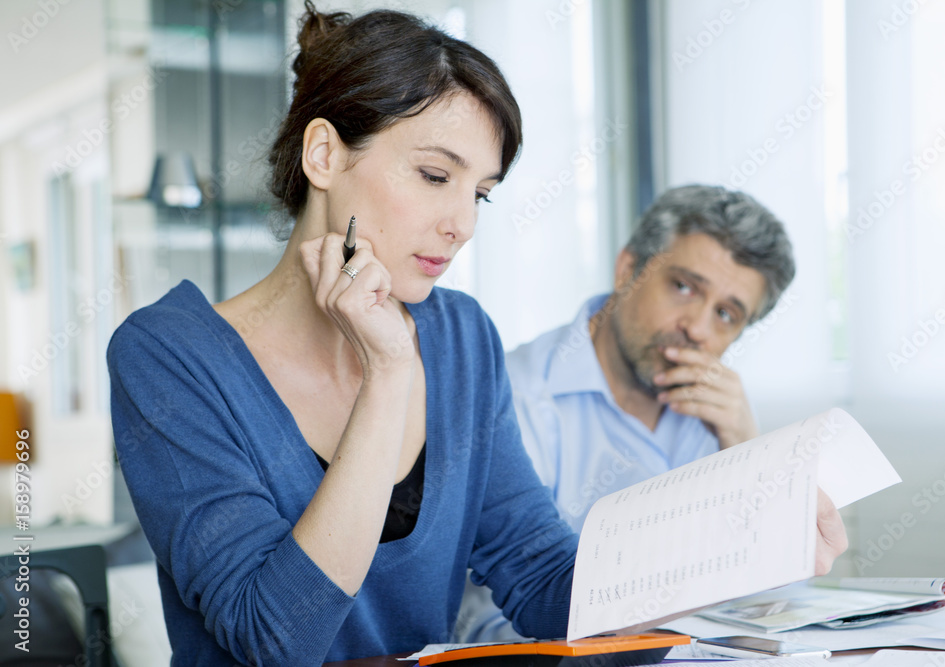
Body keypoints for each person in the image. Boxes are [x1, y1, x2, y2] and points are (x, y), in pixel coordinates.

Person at [108, 6, 846, 663]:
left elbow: (545, 579)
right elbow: (275, 640)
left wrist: (741, 539)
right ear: (324, 154)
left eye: (481, 193)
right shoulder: (169, 357)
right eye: (435, 175)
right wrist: (390, 375)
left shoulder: (461, 337)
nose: (462, 224)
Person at [458, 185, 799, 641]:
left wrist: (746, 446)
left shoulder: (723, 417)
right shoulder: (518, 393)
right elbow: (508, 607)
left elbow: (774, 602)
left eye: (726, 314)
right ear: (628, 270)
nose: (696, 328)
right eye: (683, 287)